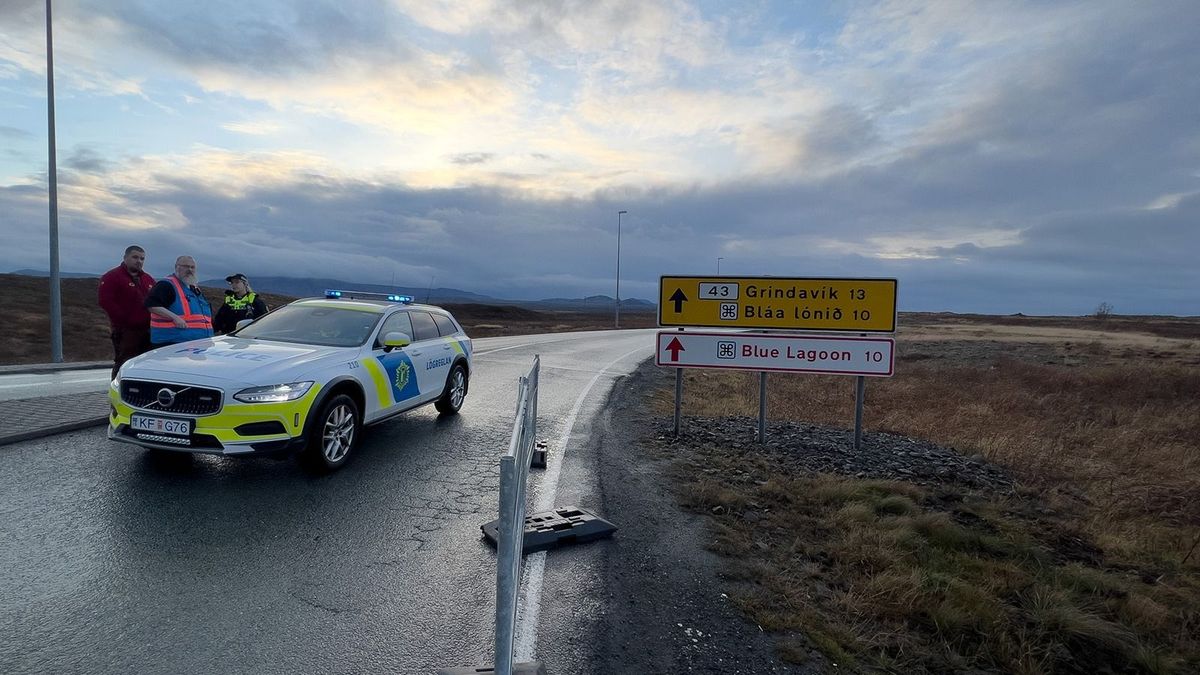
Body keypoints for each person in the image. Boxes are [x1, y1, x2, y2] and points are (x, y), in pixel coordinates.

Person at [98, 245, 156, 378]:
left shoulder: (148, 279)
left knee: (145, 364)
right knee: (124, 363)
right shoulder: (112, 277)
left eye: (142, 258)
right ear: (125, 258)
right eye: (135, 257)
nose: (139, 261)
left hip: (148, 330)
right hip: (125, 331)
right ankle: (117, 390)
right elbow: (105, 301)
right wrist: (124, 320)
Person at [145, 255, 214, 346]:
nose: (190, 270)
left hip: (196, 343)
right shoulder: (166, 285)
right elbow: (152, 305)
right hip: (172, 342)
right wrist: (175, 318)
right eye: (186, 266)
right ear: (177, 267)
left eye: (192, 267)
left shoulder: (193, 288)